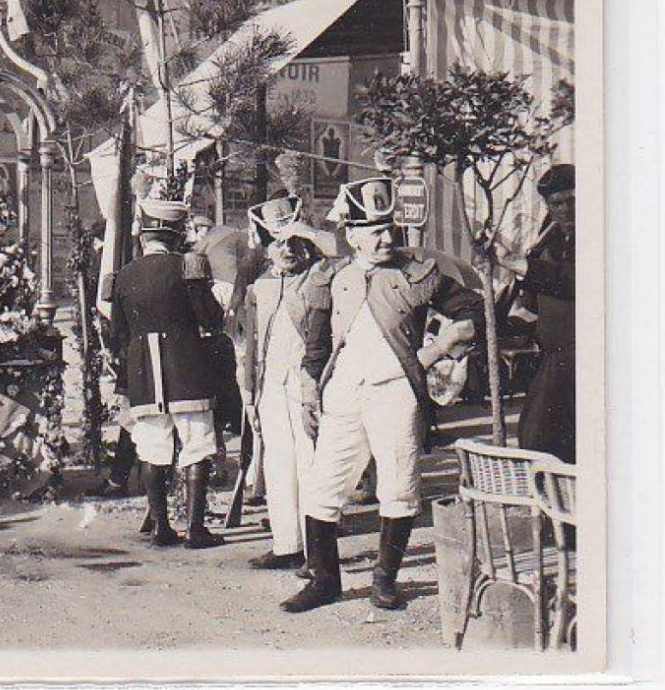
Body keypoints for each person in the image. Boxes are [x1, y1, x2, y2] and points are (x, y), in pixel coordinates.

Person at [282, 177, 484, 614]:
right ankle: (324, 581)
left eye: (389, 227)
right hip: (343, 395)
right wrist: (308, 388)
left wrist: (435, 350)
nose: (386, 237)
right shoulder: (333, 276)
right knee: (322, 487)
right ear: (350, 234)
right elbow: (318, 342)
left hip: (397, 394)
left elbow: (470, 312)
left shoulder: (417, 273)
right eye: (374, 230)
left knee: (398, 486)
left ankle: (384, 581)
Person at [104, 165, 228, 549]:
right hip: (186, 367)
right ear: (176, 233)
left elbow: (116, 334)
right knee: (197, 442)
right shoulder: (188, 267)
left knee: (153, 447)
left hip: (143, 371)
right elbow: (211, 318)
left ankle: (160, 527)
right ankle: (195, 529)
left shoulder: (122, 277)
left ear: (144, 234)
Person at [237, 194, 335, 570]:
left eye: (293, 241)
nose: (287, 250)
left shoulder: (318, 279)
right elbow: (251, 344)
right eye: (278, 243)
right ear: (265, 247)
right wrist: (249, 393)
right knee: (277, 465)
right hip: (269, 387)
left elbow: (336, 255)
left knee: (310, 464)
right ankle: (287, 544)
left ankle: (316, 553)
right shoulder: (258, 287)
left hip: (305, 385)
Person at [499, 163, 576, 463]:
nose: (566, 210)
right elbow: (531, 306)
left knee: (542, 438)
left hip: (580, 355)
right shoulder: (549, 239)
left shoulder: (602, 231)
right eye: (557, 203)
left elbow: (578, 280)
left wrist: (525, 267)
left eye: (573, 201)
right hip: (551, 355)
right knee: (537, 438)